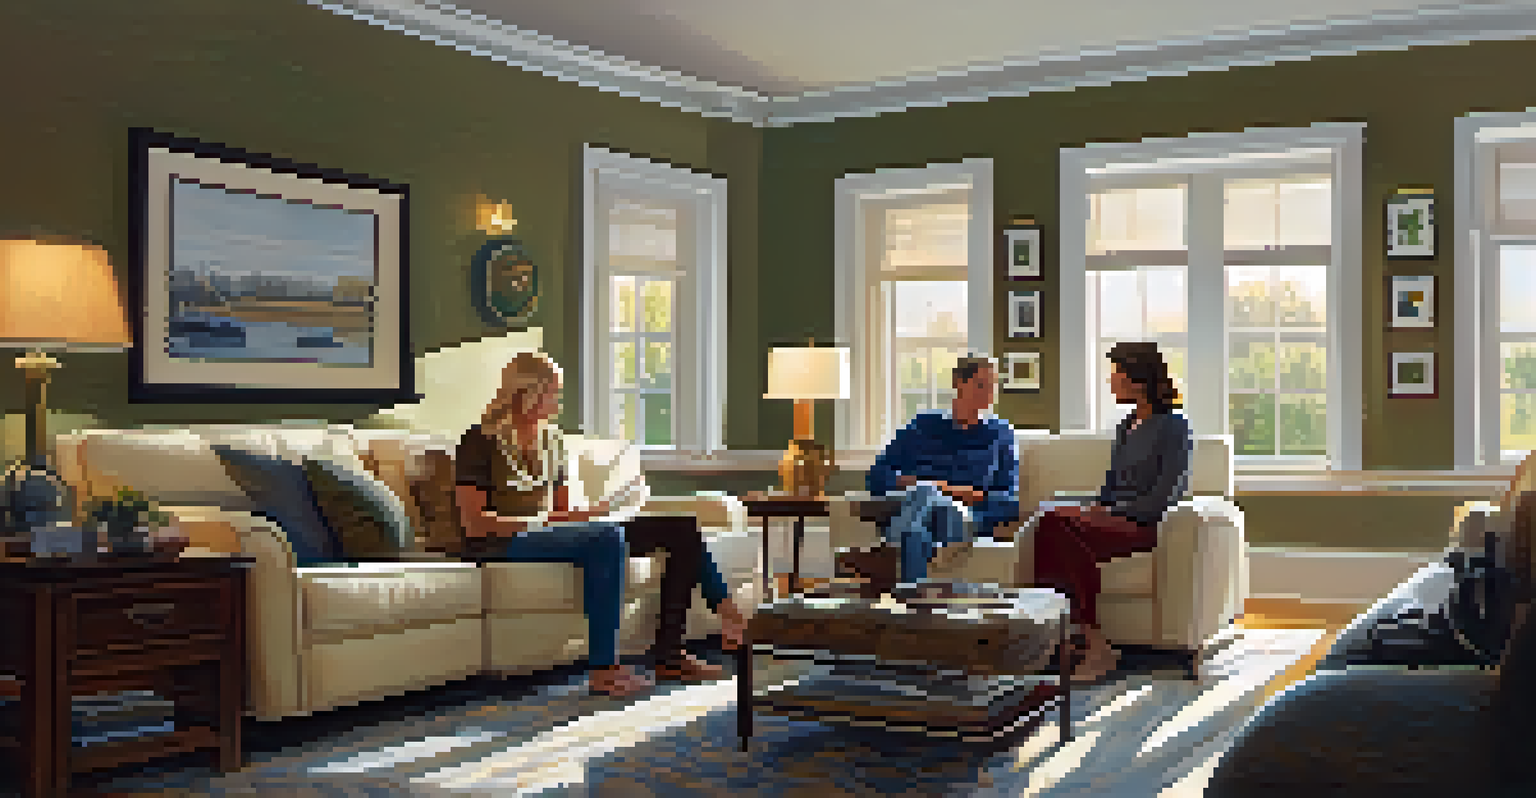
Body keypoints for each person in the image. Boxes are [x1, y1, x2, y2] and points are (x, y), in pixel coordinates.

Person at [454, 352, 746, 698]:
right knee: (607, 537)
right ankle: (604, 669)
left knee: (680, 529)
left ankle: (685, 644)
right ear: (528, 393)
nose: (557, 402)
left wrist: (591, 512)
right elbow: (474, 523)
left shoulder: (554, 441)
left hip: (547, 532)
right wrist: (552, 521)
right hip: (501, 541)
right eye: (553, 394)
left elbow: (562, 512)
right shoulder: (479, 440)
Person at [1032, 341, 1192, 684]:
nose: (1111, 382)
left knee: (1056, 525)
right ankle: (1075, 638)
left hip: (1143, 526)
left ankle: (1090, 643)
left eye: (1116, 375)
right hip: (1111, 521)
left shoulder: (1174, 427)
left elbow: (1164, 499)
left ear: (1138, 379)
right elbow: (1109, 487)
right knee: (1052, 522)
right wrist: (1092, 508)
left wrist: (1108, 513)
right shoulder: (1125, 426)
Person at [862, 356, 1021, 585]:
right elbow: (876, 477)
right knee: (917, 535)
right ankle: (913, 608)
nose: (988, 393)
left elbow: (1008, 501)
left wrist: (948, 492)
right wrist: (918, 486)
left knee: (926, 494)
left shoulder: (1000, 434)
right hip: (921, 515)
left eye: (992, 385)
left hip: (963, 518)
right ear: (959, 383)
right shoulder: (923, 425)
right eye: (980, 385)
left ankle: (888, 549)